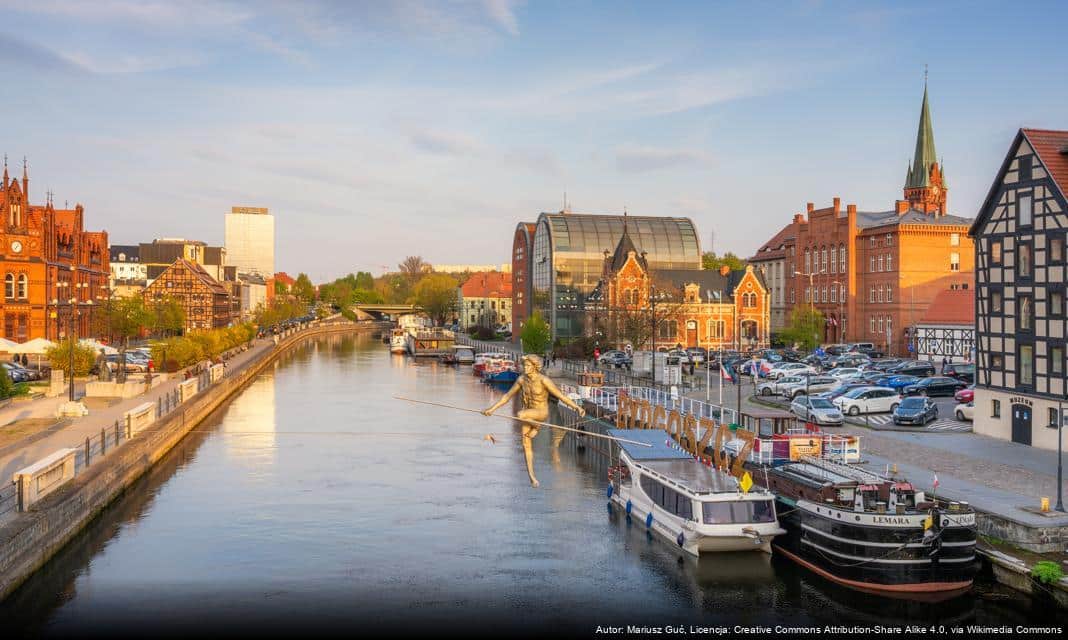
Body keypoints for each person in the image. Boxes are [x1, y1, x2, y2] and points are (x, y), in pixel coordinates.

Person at [482, 355, 585, 488]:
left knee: (520, 414)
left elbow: (560, 396)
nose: (525, 368)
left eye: (528, 366)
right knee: (525, 443)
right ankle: (532, 477)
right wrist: (492, 409)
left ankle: (536, 426)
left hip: (540, 413)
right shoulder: (521, 380)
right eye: (524, 366)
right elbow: (507, 397)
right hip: (528, 415)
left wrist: (577, 407)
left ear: (535, 367)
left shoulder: (544, 380)